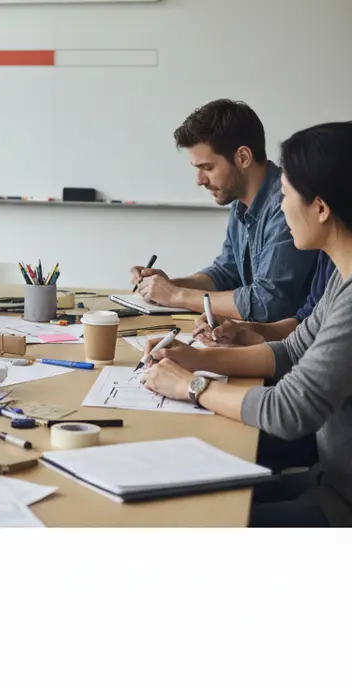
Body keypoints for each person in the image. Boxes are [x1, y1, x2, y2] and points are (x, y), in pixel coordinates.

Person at [139, 122, 352, 527]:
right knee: (181, 497)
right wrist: (194, 358)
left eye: (286, 195)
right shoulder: (341, 279)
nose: (281, 208)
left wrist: (192, 386)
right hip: (328, 479)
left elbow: (290, 409)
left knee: (189, 523)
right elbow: (291, 350)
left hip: (341, 505)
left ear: (321, 208)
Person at [130, 99, 316, 321]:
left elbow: (266, 303)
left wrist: (177, 295)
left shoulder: (286, 205)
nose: (199, 180)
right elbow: (226, 274)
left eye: (207, 167)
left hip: (289, 339)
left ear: (243, 157)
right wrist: (166, 286)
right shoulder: (240, 202)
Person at [193, 251, 336, 346]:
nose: (284, 215)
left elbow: (264, 303)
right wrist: (239, 330)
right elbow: (302, 324)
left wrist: (200, 362)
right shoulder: (327, 257)